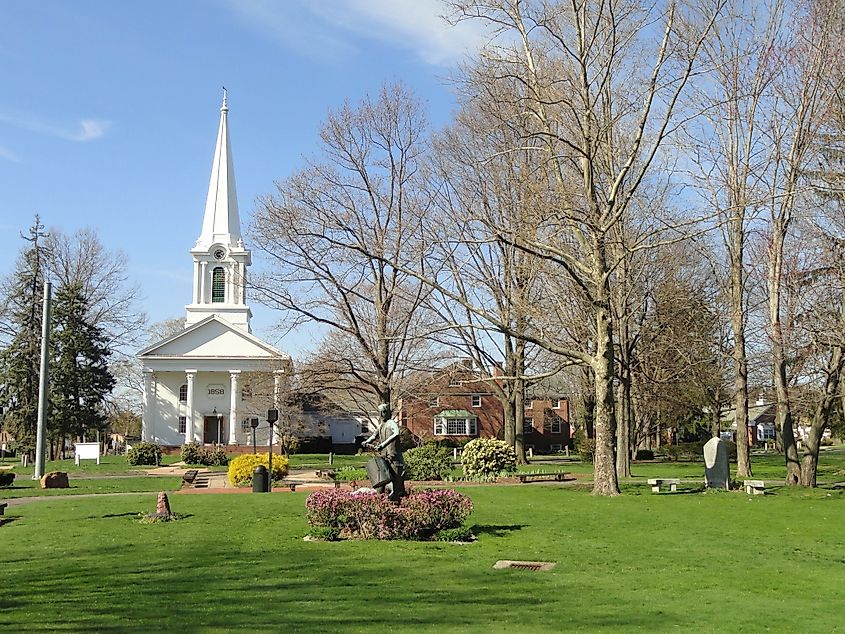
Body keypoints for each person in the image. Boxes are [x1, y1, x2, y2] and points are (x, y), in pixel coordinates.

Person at [362, 403, 406, 500]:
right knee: (381, 478)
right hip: (384, 456)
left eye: (384, 412)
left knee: (396, 480)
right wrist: (367, 441)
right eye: (381, 412)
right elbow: (374, 435)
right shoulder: (382, 425)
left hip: (394, 457)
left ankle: (397, 499)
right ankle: (380, 500)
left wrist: (383, 444)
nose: (382, 414)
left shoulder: (391, 423)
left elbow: (396, 433)